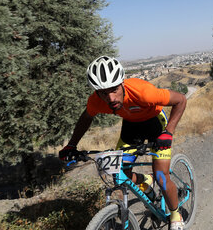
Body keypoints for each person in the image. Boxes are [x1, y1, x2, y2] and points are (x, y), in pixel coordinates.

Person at [59, 56, 187, 229]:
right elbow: (86, 118)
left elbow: (180, 100)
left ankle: (175, 214)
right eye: (104, 93)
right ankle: (145, 181)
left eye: (114, 90)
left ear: (122, 84)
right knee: (120, 174)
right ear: (97, 93)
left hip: (155, 123)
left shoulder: (143, 92)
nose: (111, 98)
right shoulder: (96, 101)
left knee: (161, 176)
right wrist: (71, 145)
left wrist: (168, 133)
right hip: (131, 127)